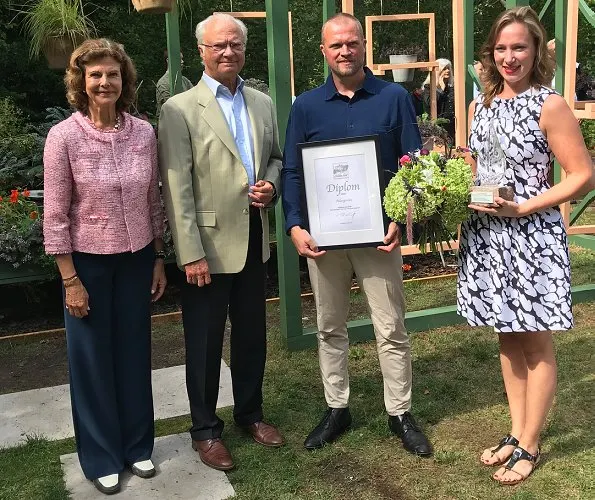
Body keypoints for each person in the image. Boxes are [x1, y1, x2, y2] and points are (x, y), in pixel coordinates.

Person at [282, 13, 432, 457]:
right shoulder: (305, 106)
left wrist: (402, 220)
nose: (344, 51)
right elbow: (292, 169)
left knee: (391, 327)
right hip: (323, 240)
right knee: (330, 327)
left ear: (363, 46)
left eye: (351, 42)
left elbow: (414, 162)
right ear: (324, 52)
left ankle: (400, 412)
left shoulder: (393, 98)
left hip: (377, 236)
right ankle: (336, 407)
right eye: (335, 45)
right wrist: (294, 224)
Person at [459, 7, 595, 485]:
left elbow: (581, 175)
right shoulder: (483, 105)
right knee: (507, 335)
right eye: (501, 48)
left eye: (519, 47)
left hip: (529, 237)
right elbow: (479, 166)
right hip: (487, 237)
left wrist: (527, 206)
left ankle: (532, 443)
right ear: (490, 55)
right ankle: (517, 432)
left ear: (536, 51)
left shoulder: (549, 104)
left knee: (535, 341)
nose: (509, 57)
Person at [158, 13, 284, 472]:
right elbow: (176, 188)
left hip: (253, 238)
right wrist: (188, 252)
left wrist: (270, 185)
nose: (227, 51)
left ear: (245, 49)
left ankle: (251, 413)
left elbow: (275, 159)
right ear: (202, 52)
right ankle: (206, 430)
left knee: (252, 336)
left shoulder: (262, 103)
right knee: (205, 343)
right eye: (218, 46)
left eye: (234, 44)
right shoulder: (179, 109)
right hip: (205, 249)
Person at [43, 38, 167, 495]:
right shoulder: (64, 137)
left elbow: (153, 201)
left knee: (135, 355)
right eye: (95, 74)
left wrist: (157, 257)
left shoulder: (143, 133)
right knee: (92, 361)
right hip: (87, 266)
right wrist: (69, 279)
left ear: (123, 80)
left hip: (136, 261)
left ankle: (137, 446)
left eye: (112, 74)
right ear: (80, 81)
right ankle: (100, 456)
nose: (104, 82)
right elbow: (55, 215)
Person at [422, 57, 455, 140]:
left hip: (452, 128)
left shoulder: (452, 88)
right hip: (436, 128)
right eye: (444, 69)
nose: (447, 71)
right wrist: (440, 90)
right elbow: (430, 104)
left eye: (448, 68)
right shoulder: (428, 88)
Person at [155, 50, 194, 117]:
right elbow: (170, 108)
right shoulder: (163, 83)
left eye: (182, 59)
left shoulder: (185, 80)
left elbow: (196, 98)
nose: (182, 62)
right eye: (179, 59)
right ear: (168, 60)